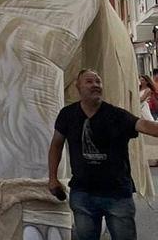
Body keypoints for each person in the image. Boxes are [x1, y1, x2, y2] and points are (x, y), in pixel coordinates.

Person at [49, 69, 158, 240]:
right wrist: (53, 178)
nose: (95, 85)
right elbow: (56, 145)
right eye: (89, 81)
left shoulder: (116, 115)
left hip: (117, 194)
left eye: (98, 82)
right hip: (82, 193)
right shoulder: (67, 115)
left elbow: (143, 125)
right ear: (78, 86)